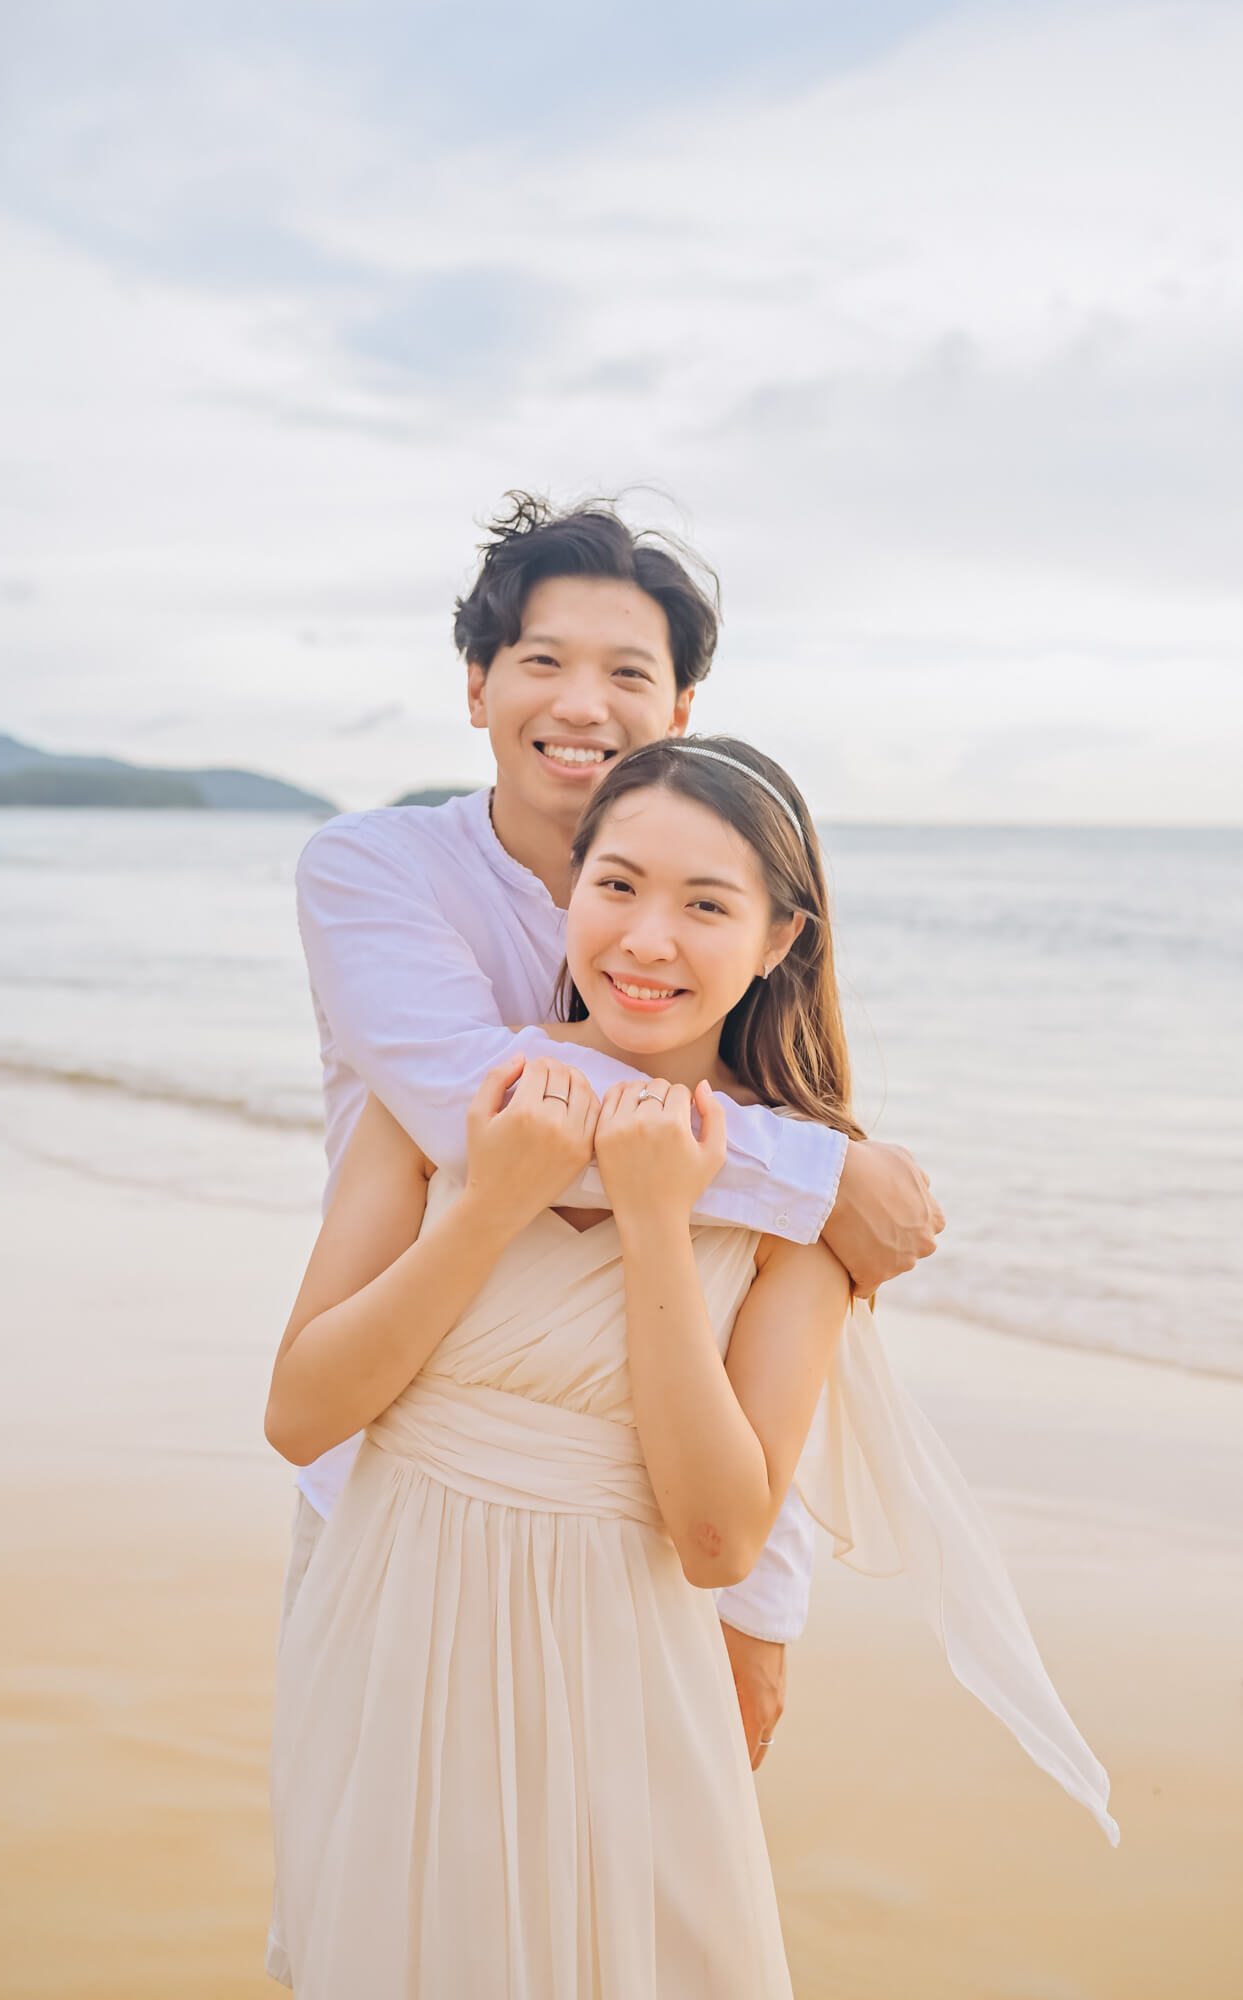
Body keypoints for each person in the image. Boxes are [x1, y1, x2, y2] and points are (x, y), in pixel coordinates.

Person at [266, 737, 1115, 1999]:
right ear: (569, 894)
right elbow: (301, 1411)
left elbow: (719, 1534)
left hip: (622, 1673)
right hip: (391, 1641)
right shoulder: (451, 1103)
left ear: (779, 939)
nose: (645, 939)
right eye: (615, 885)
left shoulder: (799, 1211)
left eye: (705, 904)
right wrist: (492, 1206)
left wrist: (661, 1219)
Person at [280, 495, 943, 1801]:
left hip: (632, 1550)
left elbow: (757, 1345)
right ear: (475, 685)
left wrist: (761, 1600)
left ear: (681, 708)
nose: (580, 703)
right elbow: (464, 1101)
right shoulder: (374, 873)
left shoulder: (709, 959)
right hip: (384, 1485)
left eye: (626, 672)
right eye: (541, 661)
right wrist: (825, 1177)